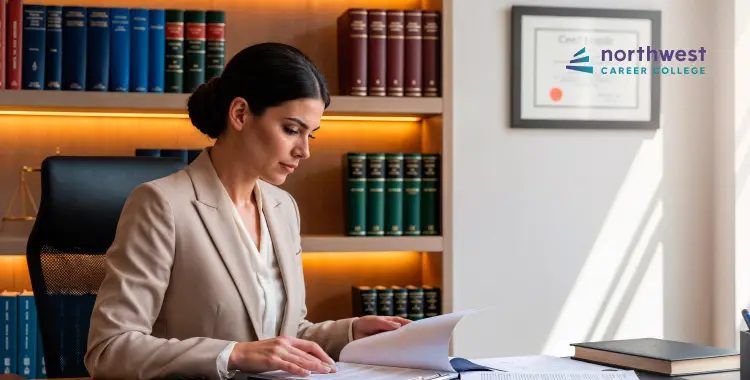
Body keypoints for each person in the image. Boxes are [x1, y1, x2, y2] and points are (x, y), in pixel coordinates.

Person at [84, 42, 411, 380]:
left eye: (311, 135)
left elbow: (281, 335)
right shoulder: (162, 205)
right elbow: (110, 350)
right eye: (291, 129)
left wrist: (351, 332)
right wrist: (235, 354)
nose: (304, 151)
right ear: (240, 114)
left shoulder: (283, 207)